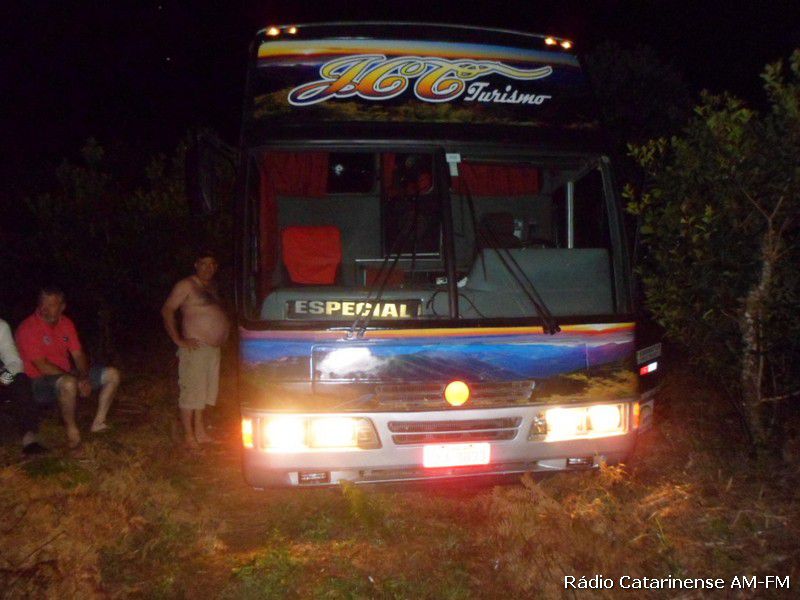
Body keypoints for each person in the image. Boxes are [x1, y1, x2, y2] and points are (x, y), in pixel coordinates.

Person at [15, 287, 120, 449]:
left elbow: (78, 355)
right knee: (68, 383)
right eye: (42, 304)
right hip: (39, 382)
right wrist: (76, 379)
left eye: (51, 305)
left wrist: (84, 377)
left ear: (62, 307)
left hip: (66, 374)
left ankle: (99, 423)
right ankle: (72, 431)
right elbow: (42, 366)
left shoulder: (66, 323)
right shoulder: (28, 327)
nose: (44, 308)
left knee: (112, 374)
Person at [161, 250, 229, 450]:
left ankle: (200, 433)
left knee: (204, 394)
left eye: (212, 264)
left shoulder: (212, 287)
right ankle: (189, 437)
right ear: (196, 264)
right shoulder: (186, 285)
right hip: (195, 348)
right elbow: (167, 310)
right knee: (191, 393)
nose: (208, 268)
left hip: (212, 349)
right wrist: (178, 340)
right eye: (204, 263)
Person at [0, 318, 47, 454]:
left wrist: (2, 379)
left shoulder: (1, 326)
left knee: (20, 379)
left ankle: (29, 438)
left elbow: (15, 363)